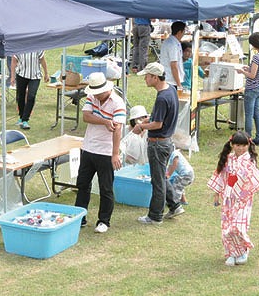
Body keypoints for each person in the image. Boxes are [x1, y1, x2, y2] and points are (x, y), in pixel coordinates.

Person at [73, 71, 126, 233]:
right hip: (89, 147)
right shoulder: (92, 97)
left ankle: (104, 221)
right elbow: (86, 117)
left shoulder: (118, 103)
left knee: (106, 187)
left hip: (105, 151)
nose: (94, 95)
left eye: (97, 93)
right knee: (82, 184)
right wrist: (104, 121)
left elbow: (118, 130)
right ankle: (79, 216)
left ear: (105, 90)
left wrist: (115, 153)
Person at [133, 62, 182, 224]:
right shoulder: (171, 90)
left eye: (147, 76)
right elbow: (158, 117)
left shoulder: (162, 97)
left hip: (158, 143)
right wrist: (148, 119)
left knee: (157, 180)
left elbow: (157, 124)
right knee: (160, 176)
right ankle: (175, 205)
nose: (145, 79)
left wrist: (141, 126)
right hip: (166, 142)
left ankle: (155, 216)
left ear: (155, 77)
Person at [207, 131, 259, 265]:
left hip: (243, 200)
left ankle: (243, 251)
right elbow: (220, 176)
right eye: (238, 145)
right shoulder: (228, 159)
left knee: (238, 226)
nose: (241, 148)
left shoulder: (249, 160)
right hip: (229, 198)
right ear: (232, 145)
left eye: (244, 145)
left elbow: (253, 179)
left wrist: (243, 190)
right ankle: (232, 253)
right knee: (227, 228)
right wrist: (217, 194)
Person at [240, 32, 259, 147]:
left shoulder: (257, 57)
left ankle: (247, 138)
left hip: (252, 88)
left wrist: (242, 71)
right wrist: (249, 68)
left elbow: (252, 75)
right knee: (257, 114)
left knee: (248, 114)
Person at [10, 50, 48, 130]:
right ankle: (21, 116)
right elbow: (14, 61)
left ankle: (25, 120)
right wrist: (12, 76)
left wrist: (46, 74)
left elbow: (43, 61)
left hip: (35, 76)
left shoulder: (38, 48)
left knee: (31, 96)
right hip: (21, 74)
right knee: (20, 96)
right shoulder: (19, 48)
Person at [159, 21, 186, 88]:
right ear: (180, 32)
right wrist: (178, 84)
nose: (184, 34)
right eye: (184, 31)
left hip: (170, 79)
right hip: (171, 80)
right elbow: (173, 65)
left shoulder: (174, 42)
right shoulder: (172, 44)